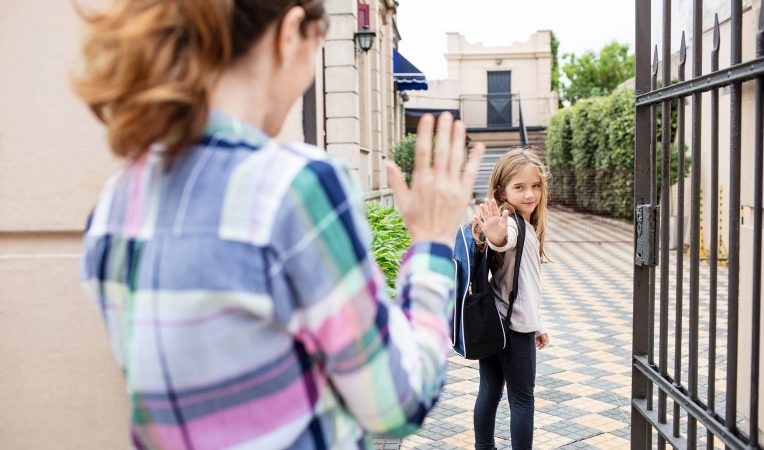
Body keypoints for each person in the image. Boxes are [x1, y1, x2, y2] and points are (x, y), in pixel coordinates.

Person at [73, 1, 485, 449]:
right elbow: (397, 404)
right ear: (290, 34)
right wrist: (432, 244)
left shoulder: (116, 204)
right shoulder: (295, 188)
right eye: (316, 48)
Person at [470, 148, 551, 450]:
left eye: (536, 186)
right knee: (522, 399)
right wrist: (495, 234)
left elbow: (521, 283)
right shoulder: (513, 224)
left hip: (495, 319)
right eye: (519, 187)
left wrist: (538, 322)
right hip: (515, 329)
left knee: (490, 389)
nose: (530, 194)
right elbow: (503, 240)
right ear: (502, 191)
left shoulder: (524, 223)